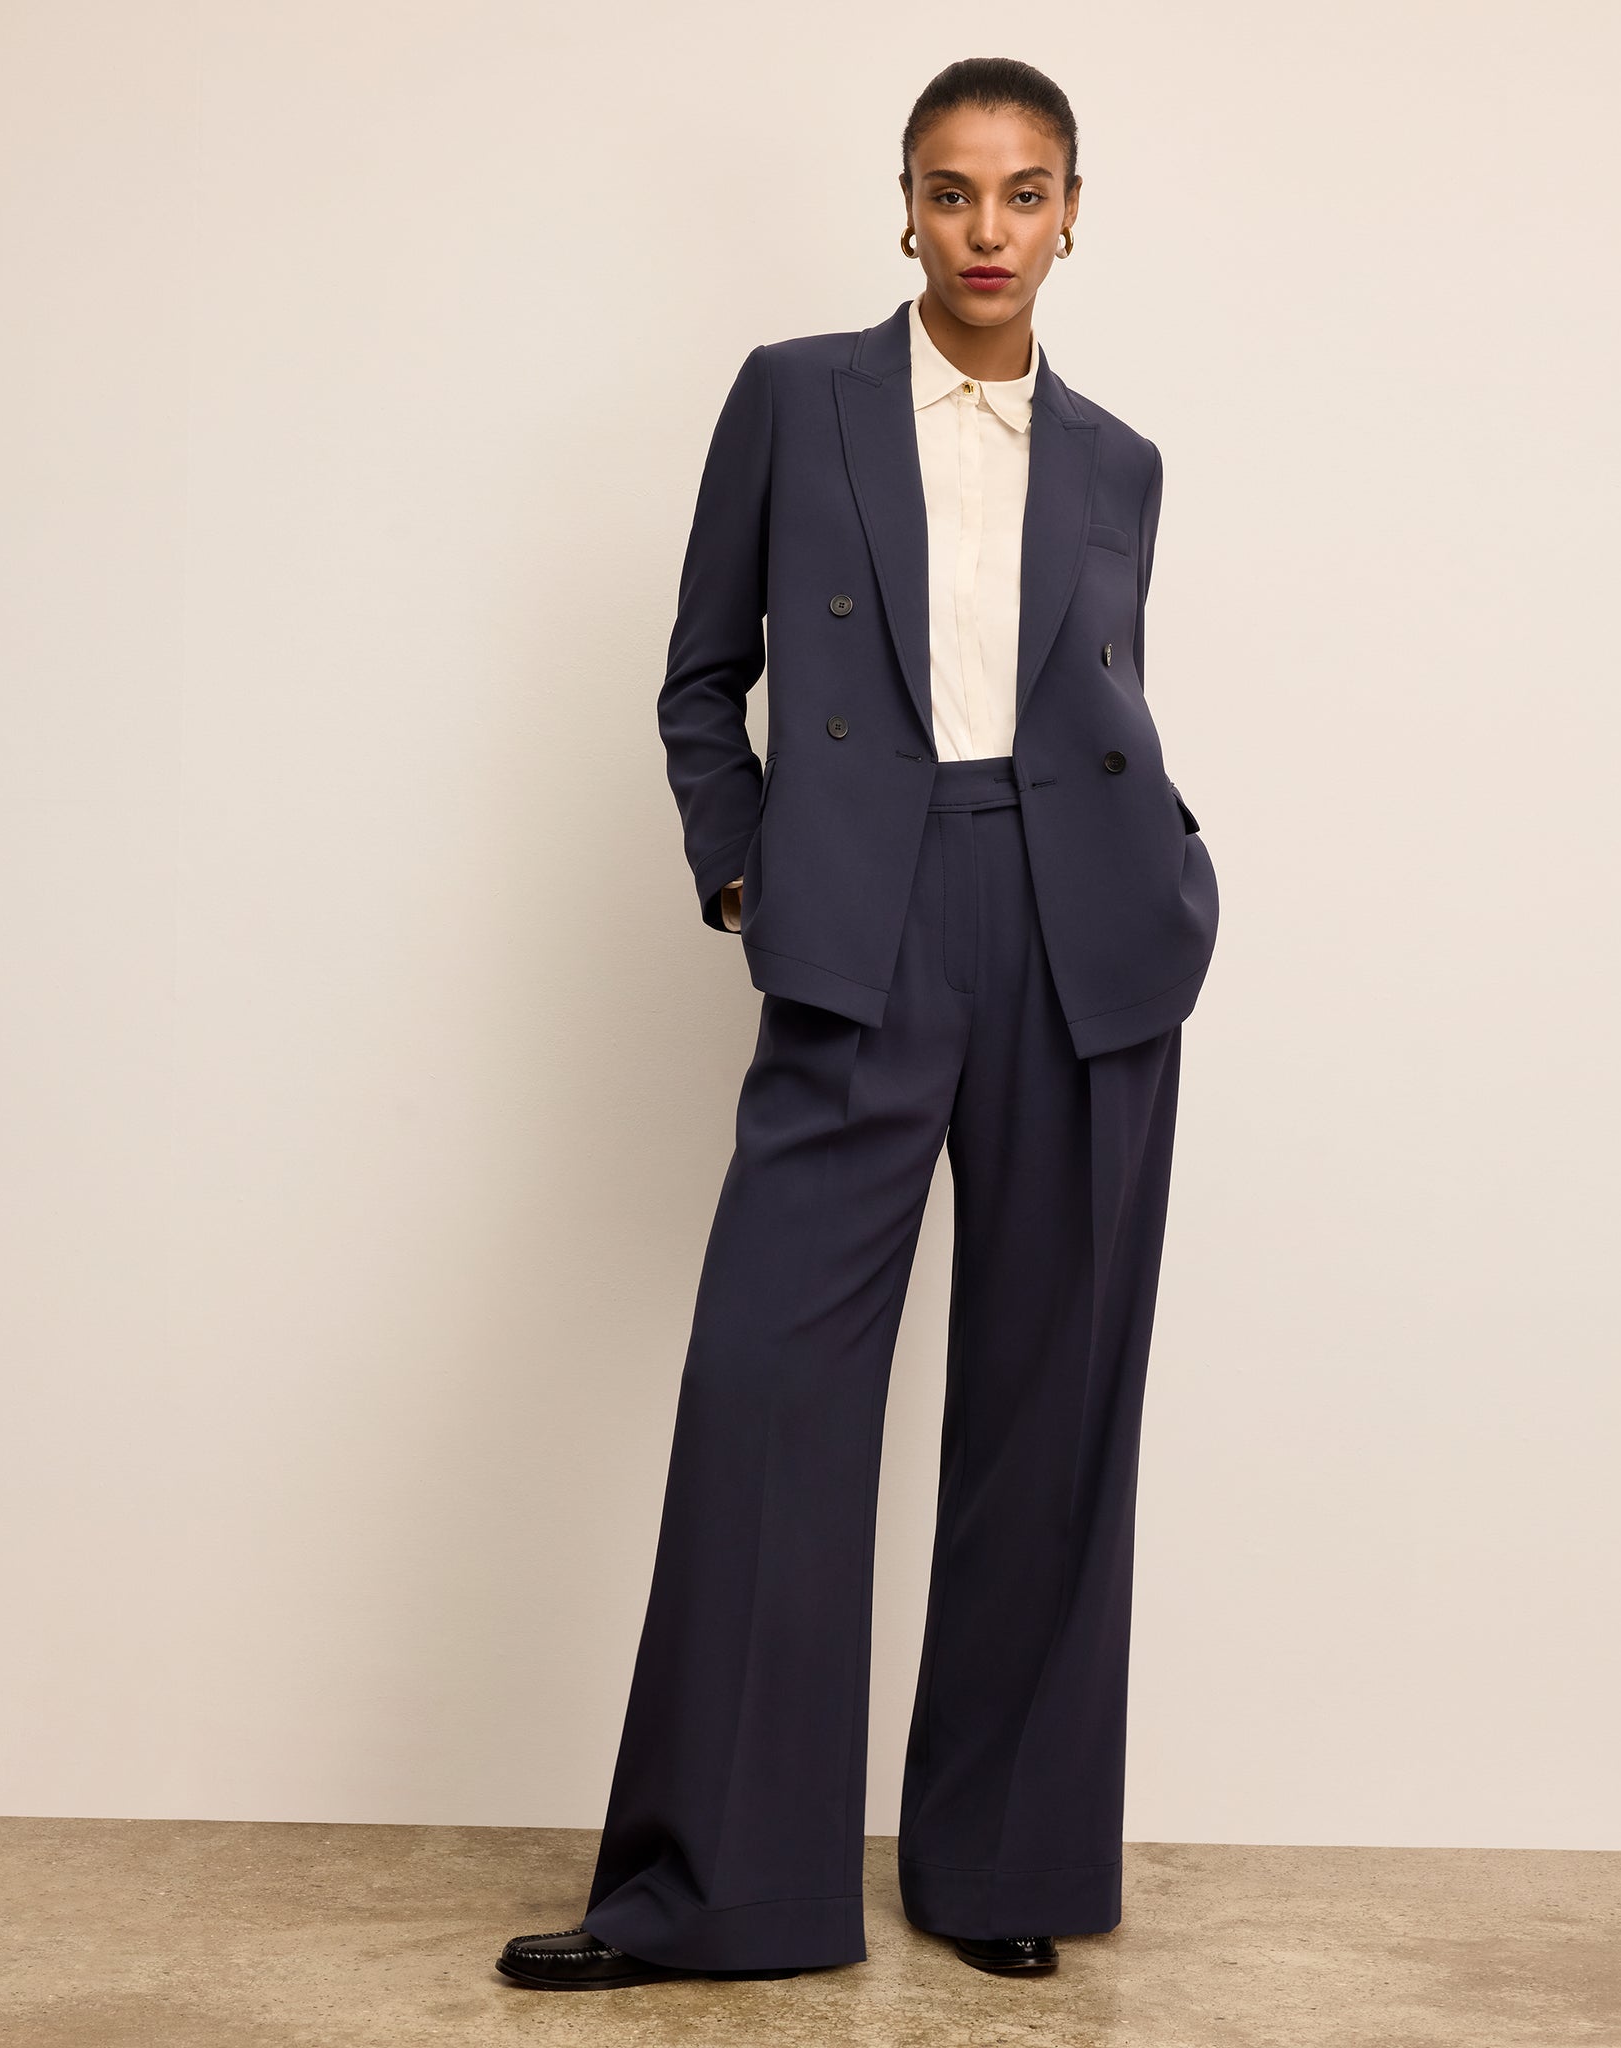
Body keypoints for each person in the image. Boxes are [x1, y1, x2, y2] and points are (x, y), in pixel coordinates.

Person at [497, 55, 1217, 1995]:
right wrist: (748, 875)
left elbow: (1104, 710)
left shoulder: (1120, 461)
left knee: (1047, 1406)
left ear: (1077, 213)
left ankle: (1001, 1855)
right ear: (902, 207)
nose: (988, 227)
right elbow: (696, 680)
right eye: (952, 189)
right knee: (768, 1389)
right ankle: (714, 1887)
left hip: (1085, 939)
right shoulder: (796, 396)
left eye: (1026, 191)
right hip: (862, 923)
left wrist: (1174, 878)